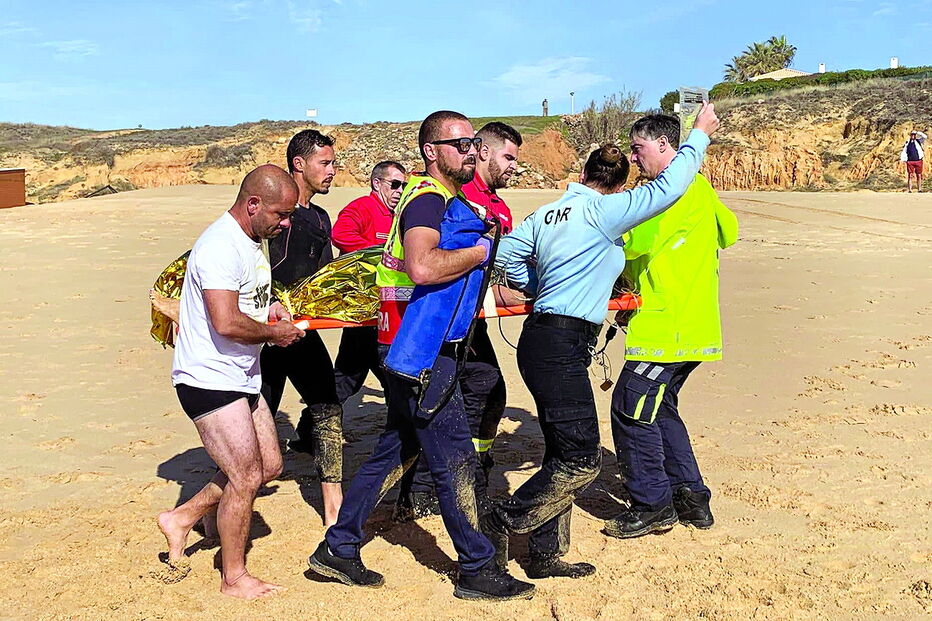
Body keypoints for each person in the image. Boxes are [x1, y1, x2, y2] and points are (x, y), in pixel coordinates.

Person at [483, 104, 720, 579]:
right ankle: (503, 521)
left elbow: (505, 252)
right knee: (580, 459)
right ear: (615, 184)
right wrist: (698, 136)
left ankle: (547, 556)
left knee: (560, 447)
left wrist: (531, 282)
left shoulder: (549, 212)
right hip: (563, 343)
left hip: (543, 340)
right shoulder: (607, 211)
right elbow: (669, 188)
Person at [307, 110, 535, 602]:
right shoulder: (428, 200)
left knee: (396, 446)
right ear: (431, 151)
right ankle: (476, 567)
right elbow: (423, 266)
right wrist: (478, 253)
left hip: (422, 347)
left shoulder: (446, 200)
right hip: (420, 353)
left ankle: (338, 547)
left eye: (475, 143)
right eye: (459, 144)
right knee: (452, 458)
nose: (470, 151)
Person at [156, 165, 305, 600]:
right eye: (281, 214)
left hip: (241, 373)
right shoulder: (220, 245)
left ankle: (181, 518)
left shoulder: (254, 238)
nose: (286, 222)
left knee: (269, 467)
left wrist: (272, 309)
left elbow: (248, 300)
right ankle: (233, 577)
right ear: (253, 203)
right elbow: (225, 321)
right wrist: (275, 334)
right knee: (244, 475)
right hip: (207, 375)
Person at [603, 113, 738, 539]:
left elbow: (630, 241)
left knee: (630, 408)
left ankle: (651, 504)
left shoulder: (664, 195)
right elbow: (728, 230)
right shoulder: (701, 189)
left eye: (638, 148)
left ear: (665, 146)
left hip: (667, 328)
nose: (633, 157)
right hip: (696, 325)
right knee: (660, 409)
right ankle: (691, 498)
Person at [396, 122, 523, 520]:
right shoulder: (453, 194)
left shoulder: (500, 207)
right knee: (427, 411)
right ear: (483, 153)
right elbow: (429, 259)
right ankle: (421, 491)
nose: (515, 167)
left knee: (487, 388)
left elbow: (496, 265)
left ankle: (471, 472)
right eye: (509, 157)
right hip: (433, 320)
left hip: (469, 319)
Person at [260, 129, 343, 526]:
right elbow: (253, 267)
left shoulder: (320, 217)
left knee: (327, 409)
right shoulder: (274, 212)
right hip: (265, 337)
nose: (332, 170)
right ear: (299, 164)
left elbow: (322, 278)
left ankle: (333, 509)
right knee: (255, 422)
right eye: (324, 163)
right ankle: (204, 508)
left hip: (301, 333)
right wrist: (273, 307)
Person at [329, 161, 407, 404]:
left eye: (403, 186)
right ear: (377, 183)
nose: (399, 191)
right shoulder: (362, 208)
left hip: (386, 309)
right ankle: (311, 431)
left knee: (379, 374)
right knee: (349, 377)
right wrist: (379, 253)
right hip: (363, 310)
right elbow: (340, 234)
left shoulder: (399, 215)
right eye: (394, 184)